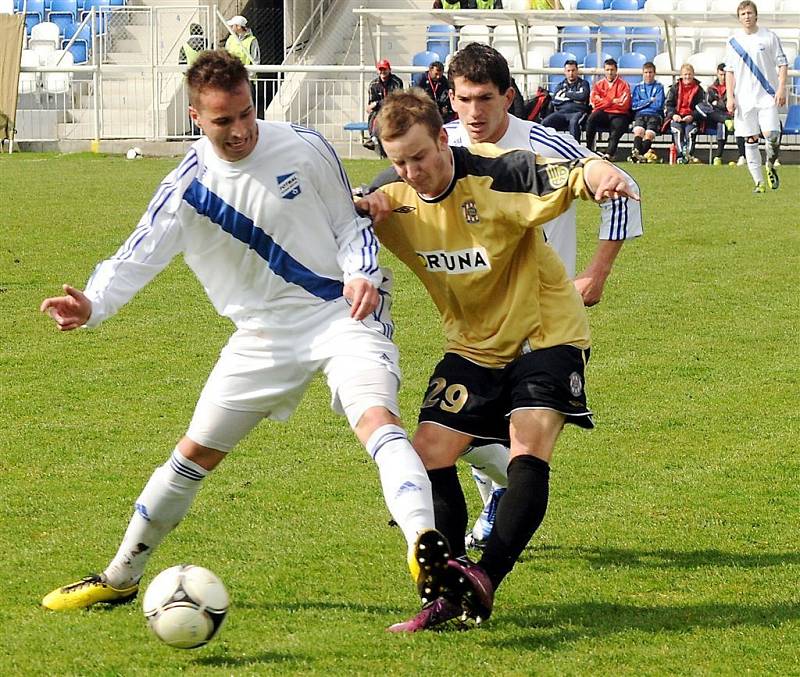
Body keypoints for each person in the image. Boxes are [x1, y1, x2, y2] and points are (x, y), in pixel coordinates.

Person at [38, 51, 457, 624]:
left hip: (341, 313)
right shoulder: (186, 188)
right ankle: (119, 577)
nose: (239, 131)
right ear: (194, 117)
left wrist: (361, 269)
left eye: (244, 114)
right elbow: (133, 258)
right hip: (261, 336)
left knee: (377, 419)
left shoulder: (304, 146)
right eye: (221, 121)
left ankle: (423, 547)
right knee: (192, 454)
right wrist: (91, 303)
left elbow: (348, 222)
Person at [359, 88, 639, 631]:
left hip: (546, 332)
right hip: (471, 343)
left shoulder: (498, 172)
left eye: (420, 155)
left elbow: (572, 171)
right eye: (399, 161)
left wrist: (602, 176)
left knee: (526, 449)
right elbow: (338, 216)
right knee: (425, 455)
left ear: (444, 137)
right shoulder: (386, 196)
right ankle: (450, 584)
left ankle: (484, 577)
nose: (411, 170)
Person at [442, 42, 642, 549]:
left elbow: (623, 186)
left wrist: (597, 273)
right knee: (452, 430)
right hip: (474, 317)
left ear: (508, 96)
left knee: (502, 427)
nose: (473, 112)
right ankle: (501, 492)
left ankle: (502, 503)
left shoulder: (546, 144)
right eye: (463, 99)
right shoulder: (441, 145)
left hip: (542, 316)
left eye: (484, 98)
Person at [725, 0, 787, 193]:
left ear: (756, 15)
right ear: (739, 18)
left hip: (767, 96)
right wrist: (730, 97)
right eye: (743, 14)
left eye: (750, 13)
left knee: (772, 135)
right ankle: (758, 182)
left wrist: (781, 88)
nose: (747, 17)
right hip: (744, 99)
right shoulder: (733, 41)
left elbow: (782, 64)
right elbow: (729, 71)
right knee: (750, 139)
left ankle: (769, 165)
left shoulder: (769, 36)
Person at [585, 58, 632, 162]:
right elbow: (593, 102)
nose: (610, 72)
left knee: (617, 127)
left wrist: (604, 101)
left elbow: (623, 104)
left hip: (619, 114)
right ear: (604, 70)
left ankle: (609, 154)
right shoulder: (598, 84)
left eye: (612, 70)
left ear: (616, 70)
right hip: (603, 113)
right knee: (591, 119)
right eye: (607, 70)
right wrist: (612, 101)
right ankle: (588, 150)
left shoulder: (624, 85)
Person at [701, 63, 743, 166]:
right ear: (717, 74)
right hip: (715, 118)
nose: (723, 77)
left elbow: (731, 105)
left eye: (725, 74)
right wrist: (719, 106)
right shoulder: (711, 88)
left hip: (731, 116)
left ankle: (719, 156)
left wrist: (717, 104)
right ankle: (725, 120)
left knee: (722, 125)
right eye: (721, 74)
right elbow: (708, 105)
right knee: (701, 107)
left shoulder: (735, 88)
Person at [541, 59, 591, 142]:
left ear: (577, 71)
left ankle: (575, 152)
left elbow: (583, 96)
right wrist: (575, 97)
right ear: (565, 72)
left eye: (573, 70)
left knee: (574, 124)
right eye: (568, 71)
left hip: (577, 112)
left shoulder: (583, 83)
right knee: (544, 123)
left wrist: (566, 94)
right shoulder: (560, 85)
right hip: (561, 113)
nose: (571, 73)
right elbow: (555, 100)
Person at [664, 63, 705, 164]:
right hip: (677, 116)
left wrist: (692, 116)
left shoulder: (699, 90)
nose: (687, 77)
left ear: (693, 75)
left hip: (692, 118)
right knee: (677, 130)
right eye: (685, 74)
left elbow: (702, 107)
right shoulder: (674, 88)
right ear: (681, 75)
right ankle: (680, 155)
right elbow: (668, 105)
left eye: (689, 74)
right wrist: (674, 115)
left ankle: (689, 156)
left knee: (690, 132)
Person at [224, 15, 262, 118]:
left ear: (239, 27)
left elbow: (255, 61)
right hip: (232, 79)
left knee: (247, 108)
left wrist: (248, 76)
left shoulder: (252, 40)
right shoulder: (231, 39)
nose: (231, 28)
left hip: (247, 80)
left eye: (233, 25)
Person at [628, 61, 665, 164]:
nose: (648, 75)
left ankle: (636, 155)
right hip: (640, 115)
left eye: (650, 72)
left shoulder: (659, 87)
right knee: (638, 132)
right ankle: (639, 156)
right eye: (646, 72)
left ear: (654, 73)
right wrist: (649, 100)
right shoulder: (638, 88)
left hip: (655, 115)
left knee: (648, 135)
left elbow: (658, 105)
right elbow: (634, 105)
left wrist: (643, 103)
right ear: (642, 73)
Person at [364, 59, 404, 154]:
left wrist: (378, 104)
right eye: (380, 69)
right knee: (375, 116)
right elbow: (371, 104)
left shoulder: (397, 82)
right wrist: (375, 105)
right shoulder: (373, 85)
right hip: (379, 111)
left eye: (384, 69)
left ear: (389, 70)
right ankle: (373, 138)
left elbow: (395, 100)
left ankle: (375, 139)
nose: (382, 72)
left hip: (394, 109)